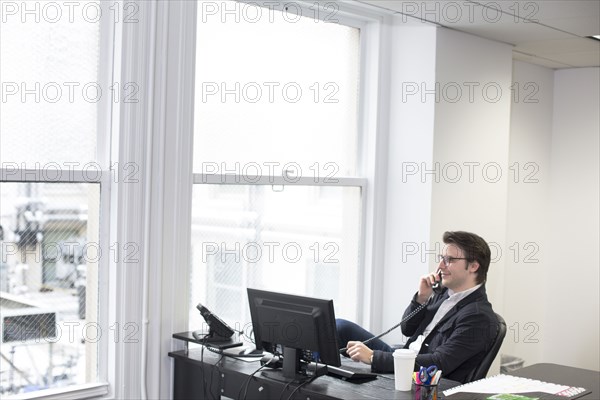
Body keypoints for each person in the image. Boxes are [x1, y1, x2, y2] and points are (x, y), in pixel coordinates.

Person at [336, 231, 499, 383]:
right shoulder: (442, 294)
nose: (441, 266)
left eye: (449, 260)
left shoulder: (479, 317)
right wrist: (421, 297)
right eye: (442, 258)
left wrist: (373, 357)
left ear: (473, 266)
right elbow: (407, 329)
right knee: (340, 327)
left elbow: (439, 363)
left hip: (419, 378)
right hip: (403, 357)